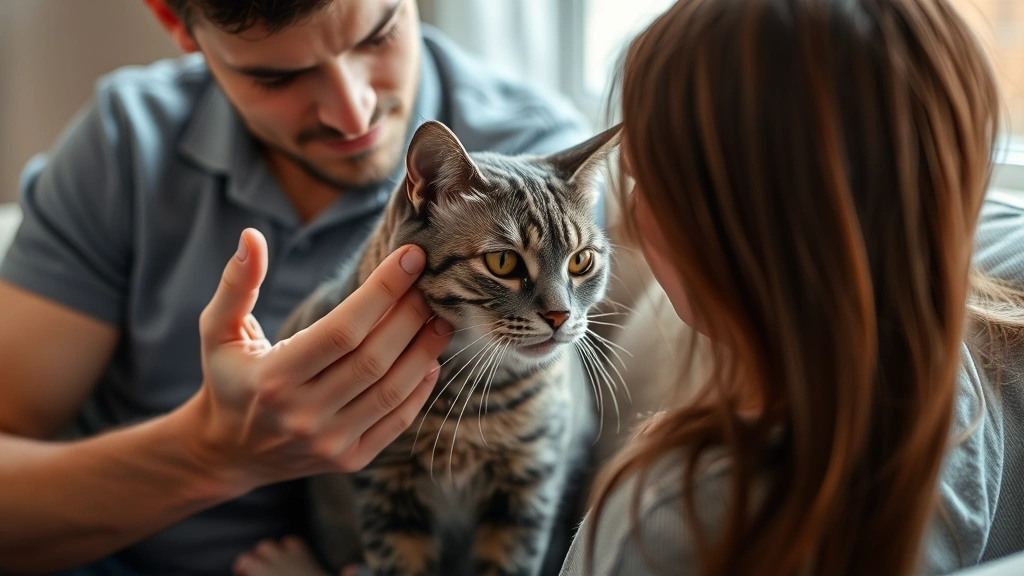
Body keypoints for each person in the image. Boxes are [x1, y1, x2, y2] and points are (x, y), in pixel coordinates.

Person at [0, 0, 592, 574]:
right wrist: (212, 451)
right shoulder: (124, 140)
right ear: (172, 18)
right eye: (277, 76)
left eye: (378, 33)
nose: (353, 113)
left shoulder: (542, 146)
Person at [554, 0, 1024, 575]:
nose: (629, 210)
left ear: (720, 231)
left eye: (640, 177)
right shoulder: (1000, 367)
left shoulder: (670, 525)